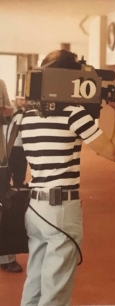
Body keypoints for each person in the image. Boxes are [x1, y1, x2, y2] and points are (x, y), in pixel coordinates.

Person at [20, 49, 115, 306]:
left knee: (34, 284)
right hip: (61, 208)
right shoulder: (73, 113)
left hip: (35, 209)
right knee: (55, 293)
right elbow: (114, 152)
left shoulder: (27, 116)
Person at [0, 79, 24, 273]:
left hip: (0, 156)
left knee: (3, 205)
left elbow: (7, 118)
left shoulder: (0, 84)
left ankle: (6, 257)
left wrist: (7, 114)